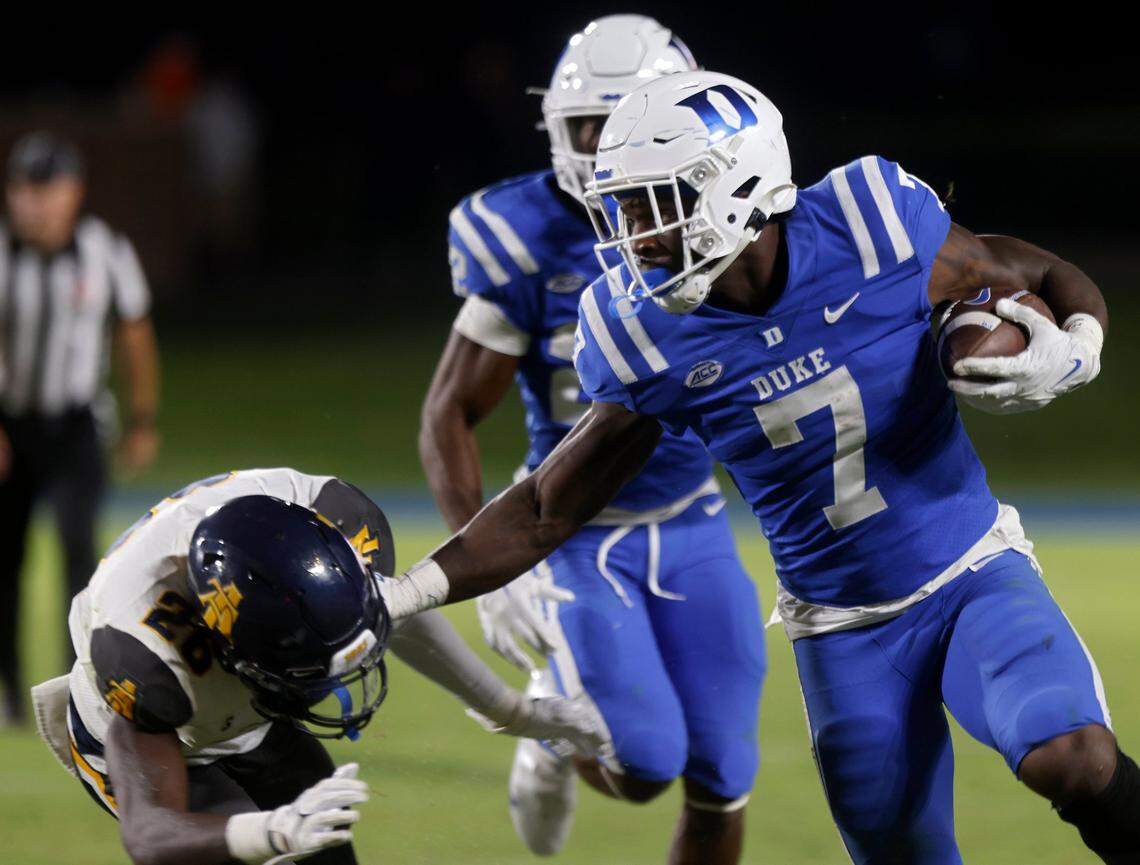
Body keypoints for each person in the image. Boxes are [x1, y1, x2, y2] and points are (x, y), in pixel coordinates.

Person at [382, 71, 1138, 863]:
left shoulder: (867, 222)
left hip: (970, 571)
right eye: (625, 210)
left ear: (734, 184)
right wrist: (407, 591)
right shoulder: (642, 330)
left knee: (1071, 754)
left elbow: (1024, 269)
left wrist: (1080, 341)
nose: (636, 237)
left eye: (655, 206)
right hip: (840, 629)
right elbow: (547, 506)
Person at [422, 16, 765, 862]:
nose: (603, 147)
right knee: (643, 763)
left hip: (692, 518)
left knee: (724, 773)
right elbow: (448, 411)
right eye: (588, 126)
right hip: (574, 532)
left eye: (624, 121)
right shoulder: (524, 235)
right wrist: (488, 564)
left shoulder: (726, 213)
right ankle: (550, 739)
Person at [29, 468, 605, 865]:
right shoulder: (148, 665)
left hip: (246, 704)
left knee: (327, 854)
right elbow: (150, 831)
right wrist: (270, 831)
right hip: (164, 735)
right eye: (304, 667)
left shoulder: (326, 516)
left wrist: (509, 710)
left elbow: (385, 608)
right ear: (237, 652)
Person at [0, 131, 160, 723]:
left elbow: (135, 333)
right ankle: (8, 689)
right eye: (25, 189)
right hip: (11, 424)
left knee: (79, 551)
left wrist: (142, 419)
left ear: (74, 192)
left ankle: (76, 690)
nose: (35, 203)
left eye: (47, 189)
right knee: (5, 558)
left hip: (76, 425)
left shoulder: (105, 251)